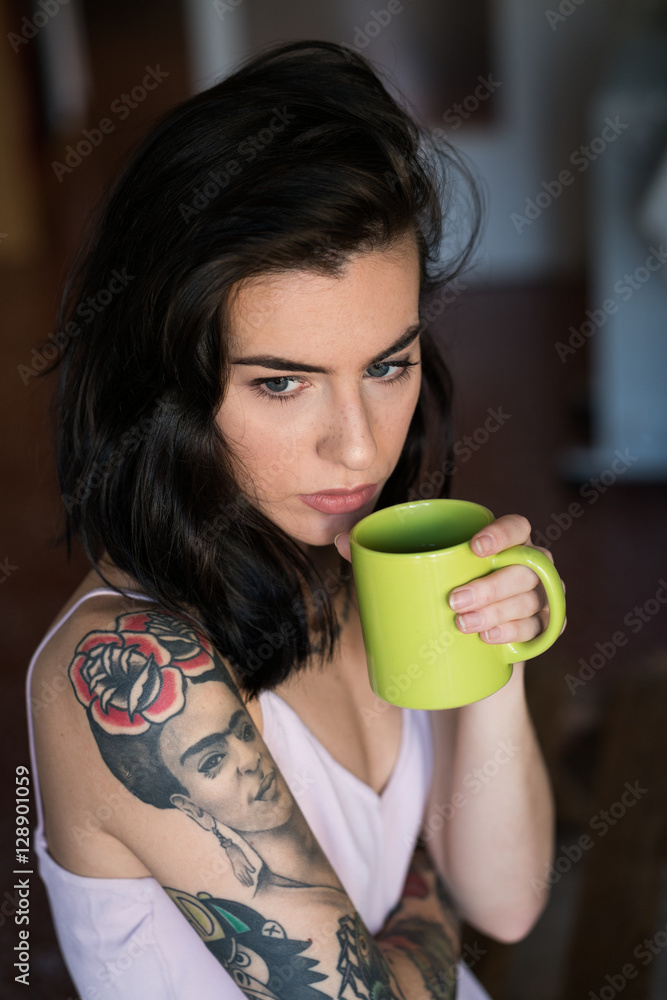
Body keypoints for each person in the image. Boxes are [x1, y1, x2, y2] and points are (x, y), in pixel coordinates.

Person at [26, 39, 563, 1000]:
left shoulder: (352, 562)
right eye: (282, 383)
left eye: (387, 367)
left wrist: (492, 674)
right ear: (168, 386)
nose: (359, 452)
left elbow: (509, 903)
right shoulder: (138, 673)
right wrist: (423, 900)